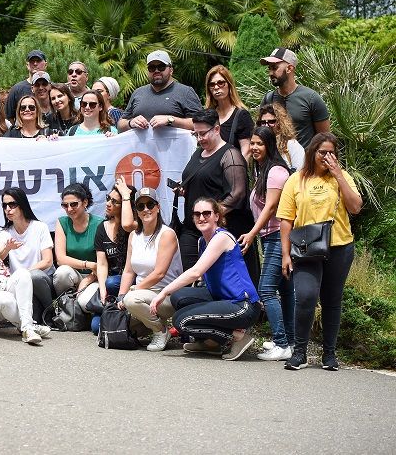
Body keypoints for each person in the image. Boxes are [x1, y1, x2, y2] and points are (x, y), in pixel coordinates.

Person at [278, 132, 362, 371]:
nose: (327, 156)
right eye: (322, 152)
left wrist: (338, 175)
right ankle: (300, 352)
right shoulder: (296, 180)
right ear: (312, 153)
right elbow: (286, 220)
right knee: (305, 296)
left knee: (332, 301)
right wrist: (285, 254)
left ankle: (329, 354)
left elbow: (355, 207)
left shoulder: (342, 176)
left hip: (339, 246)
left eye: (331, 152)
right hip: (306, 249)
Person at [150, 198, 262, 361]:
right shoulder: (202, 241)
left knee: (181, 321)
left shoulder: (221, 237)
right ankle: (209, 343)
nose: (201, 218)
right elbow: (202, 277)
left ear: (216, 216)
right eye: (197, 214)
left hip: (243, 305)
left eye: (206, 213)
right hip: (222, 298)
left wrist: (163, 292)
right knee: (179, 298)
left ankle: (237, 337)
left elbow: (196, 272)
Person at [238, 127, 294, 361]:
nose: (254, 148)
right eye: (252, 143)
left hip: (275, 236)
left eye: (259, 143)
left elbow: (271, 207)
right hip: (270, 236)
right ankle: (289, 341)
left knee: (267, 290)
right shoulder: (264, 170)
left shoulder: (276, 172)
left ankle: (282, 343)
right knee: (284, 291)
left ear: (270, 144)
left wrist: (251, 233)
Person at [177, 109, 250, 280]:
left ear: (216, 129)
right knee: (189, 278)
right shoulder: (198, 153)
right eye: (196, 134)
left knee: (215, 280)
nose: (200, 138)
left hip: (217, 232)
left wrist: (211, 217)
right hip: (191, 228)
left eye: (203, 133)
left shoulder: (231, 154)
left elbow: (237, 193)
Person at [118, 188, 183, 352]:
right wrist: (120, 296)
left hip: (165, 295)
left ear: (158, 207)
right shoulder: (134, 235)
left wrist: (131, 292)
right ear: (136, 211)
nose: (146, 209)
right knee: (106, 326)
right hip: (141, 296)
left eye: (150, 204)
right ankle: (150, 325)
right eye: (141, 206)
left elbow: (159, 273)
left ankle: (161, 331)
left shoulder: (167, 234)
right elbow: (128, 271)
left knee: (131, 301)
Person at [0, 187, 55, 325]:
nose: (8, 209)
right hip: (21, 286)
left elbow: (47, 261)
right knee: (34, 318)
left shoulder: (40, 227)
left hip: (42, 280)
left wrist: (24, 274)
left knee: (33, 276)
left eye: (12, 204)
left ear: (22, 205)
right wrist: (7, 248)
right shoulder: (4, 233)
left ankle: (51, 310)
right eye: (5, 205)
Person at [88, 178, 138, 332]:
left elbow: (127, 224)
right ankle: (114, 310)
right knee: (96, 327)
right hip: (110, 284)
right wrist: (102, 289)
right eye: (108, 198)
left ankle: (126, 313)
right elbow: (102, 264)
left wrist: (126, 196)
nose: (109, 203)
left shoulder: (135, 226)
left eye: (115, 202)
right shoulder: (102, 228)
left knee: (111, 282)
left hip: (132, 280)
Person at [260, 47, 330, 148]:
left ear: (289, 68)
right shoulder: (268, 99)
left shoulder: (311, 98)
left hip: (305, 161)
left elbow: (324, 138)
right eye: (269, 68)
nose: (271, 73)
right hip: (276, 162)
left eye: (275, 68)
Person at [118, 50, 202, 132]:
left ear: (171, 70)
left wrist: (170, 120)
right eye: (152, 68)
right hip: (141, 146)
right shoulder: (138, 93)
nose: (156, 71)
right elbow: (120, 125)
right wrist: (130, 123)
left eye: (161, 66)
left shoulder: (185, 92)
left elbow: (201, 123)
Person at [52, 183, 104, 296]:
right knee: (61, 273)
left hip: (95, 274)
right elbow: (60, 259)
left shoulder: (100, 224)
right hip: (74, 273)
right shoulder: (62, 222)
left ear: (85, 202)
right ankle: (64, 306)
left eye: (74, 204)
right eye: (65, 205)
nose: (69, 209)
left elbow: (104, 262)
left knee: (84, 302)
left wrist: (88, 279)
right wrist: (88, 264)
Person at [204, 65, 254, 160]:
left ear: (229, 85)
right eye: (212, 84)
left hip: (232, 170)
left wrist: (237, 170)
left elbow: (246, 150)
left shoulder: (241, 115)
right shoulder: (208, 115)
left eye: (221, 83)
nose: (216, 87)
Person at [257, 103, 305, 170]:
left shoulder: (291, 145)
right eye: (263, 122)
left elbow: (300, 173)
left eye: (271, 122)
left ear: (280, 123)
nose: (267, 125)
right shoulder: (258, 147)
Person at [5, 49, 48, 121]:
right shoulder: (17, 89)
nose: (35, 64)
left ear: (46, 64)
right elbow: (9, 116)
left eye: (38, 61)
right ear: (27, 65)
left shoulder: (53, 89)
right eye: (32, 61)